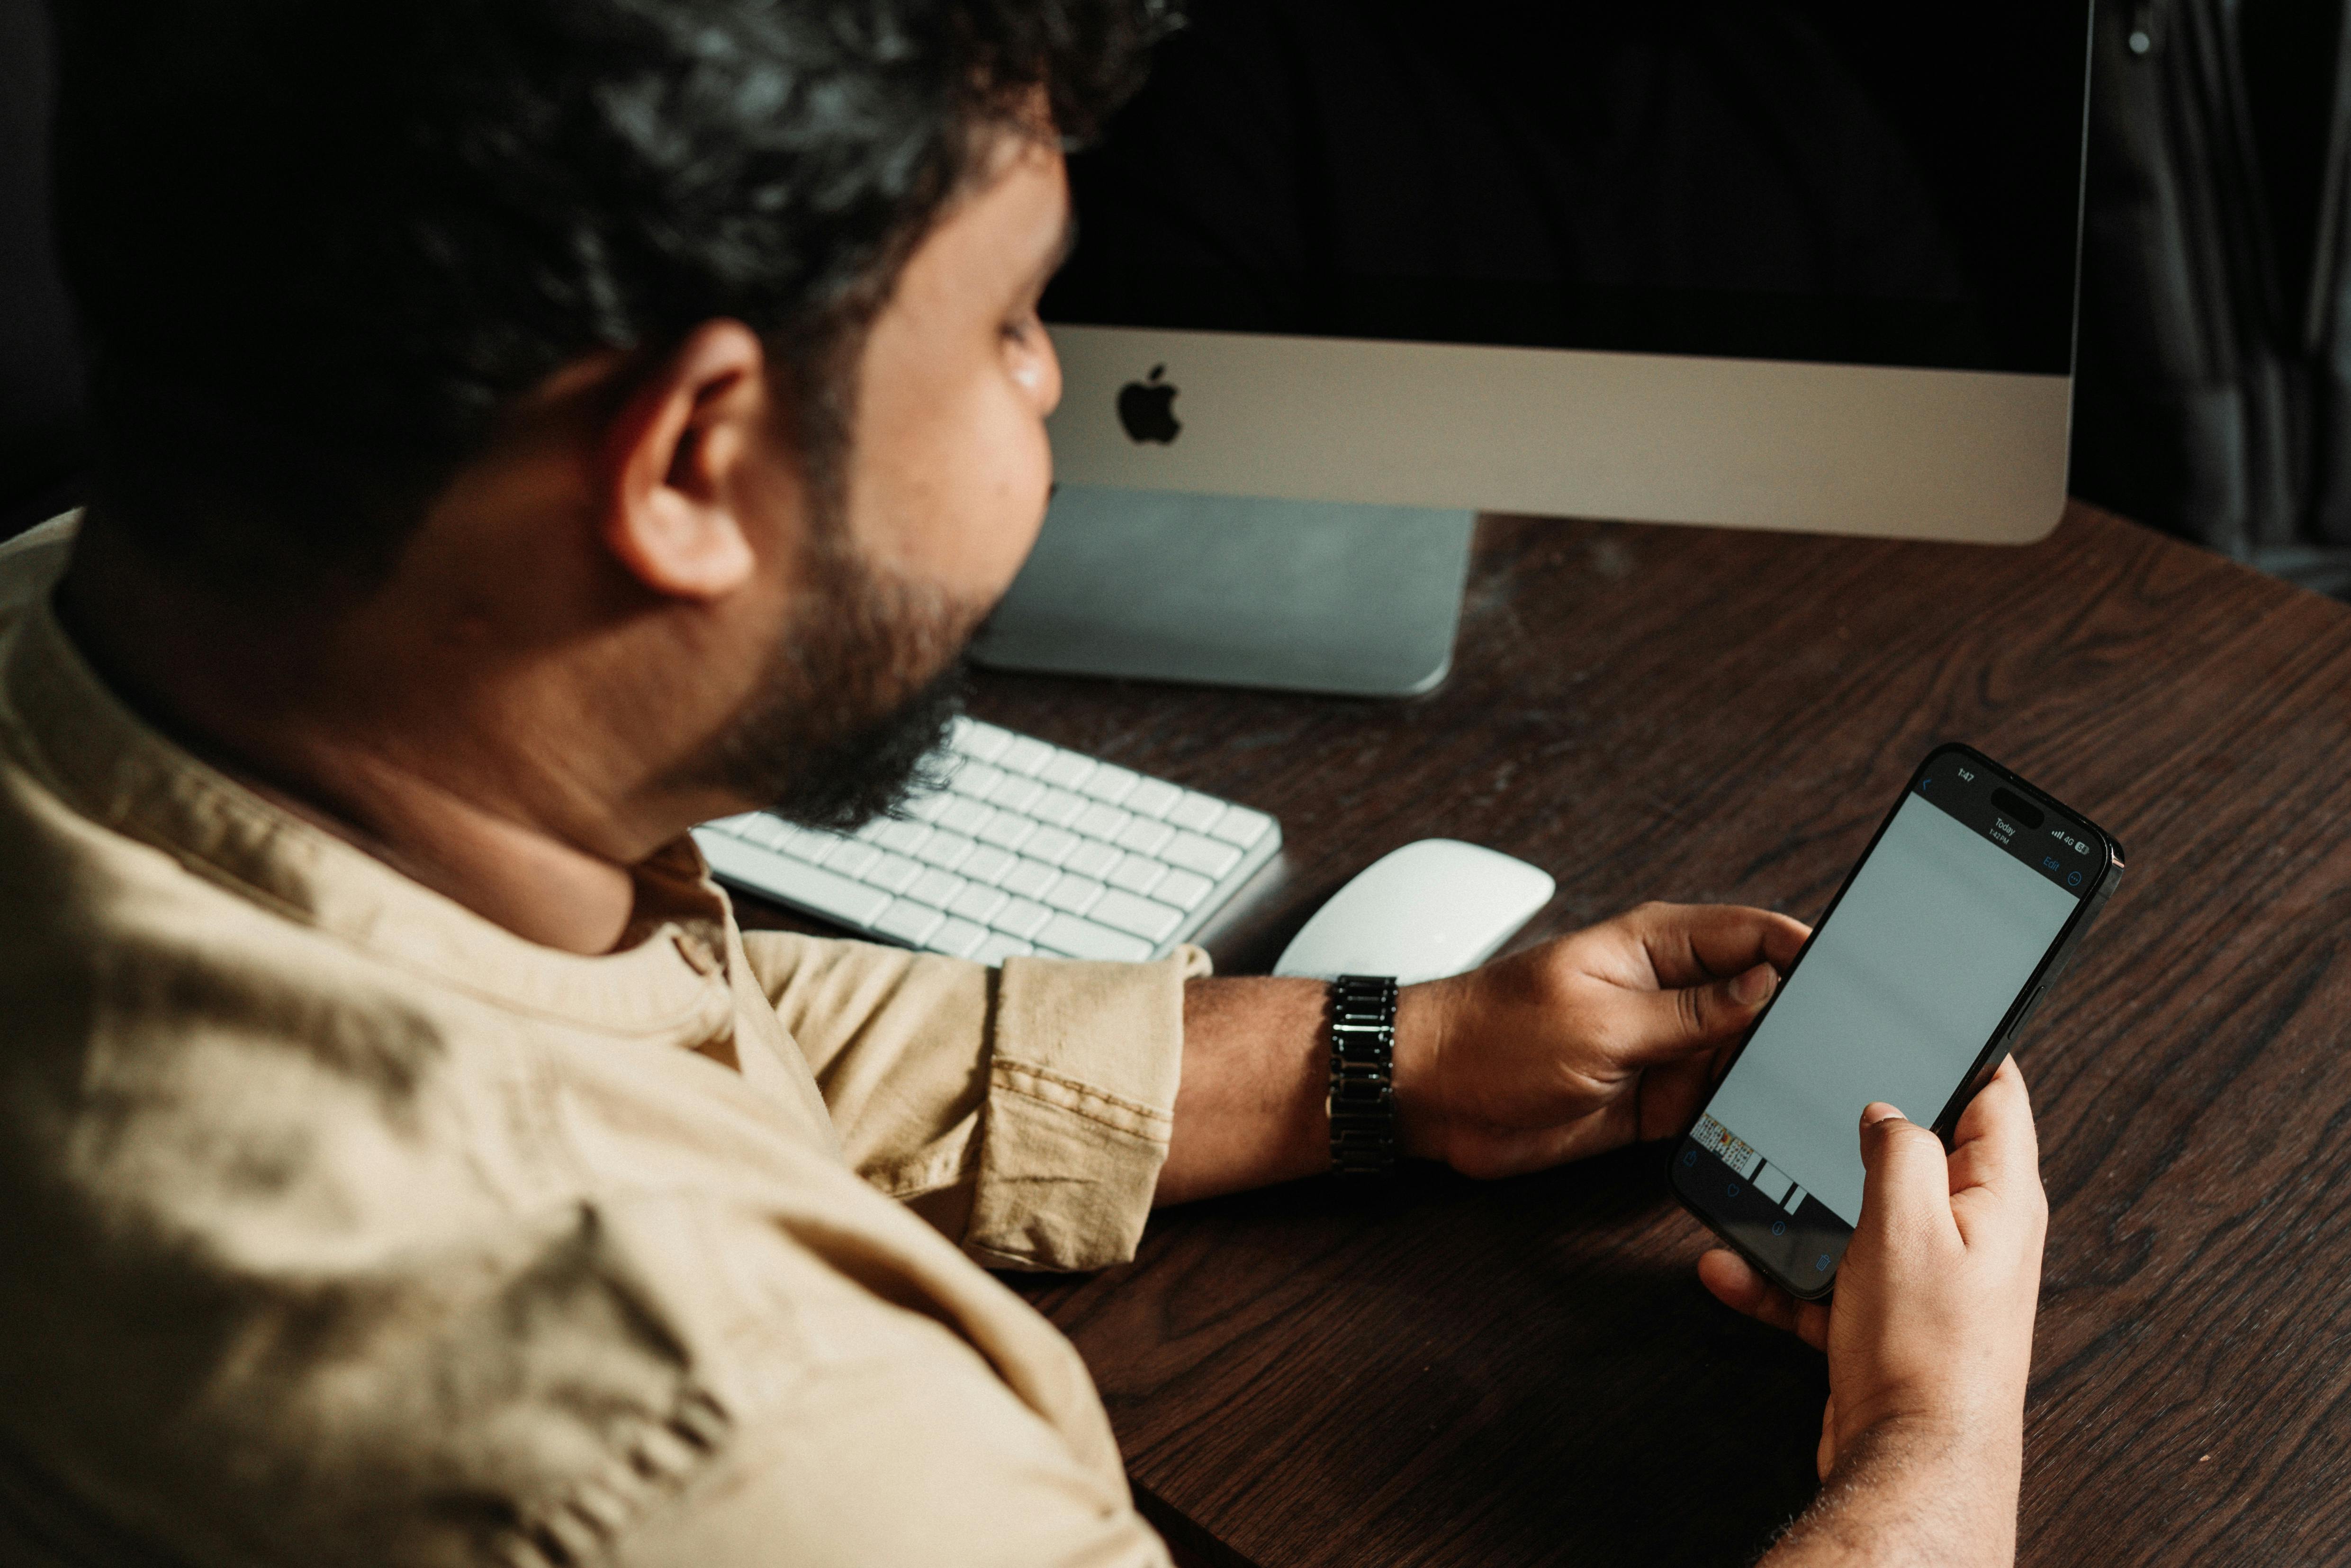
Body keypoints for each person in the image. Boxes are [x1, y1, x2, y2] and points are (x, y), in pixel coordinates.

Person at [0, 1, 2047, 1563]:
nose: (1061, 383)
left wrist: (1384, 1055)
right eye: (1003, 324)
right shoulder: (746, 1451)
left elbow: (622, 1024)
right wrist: (1925, 1469)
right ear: (689, 464)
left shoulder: (87, 645)